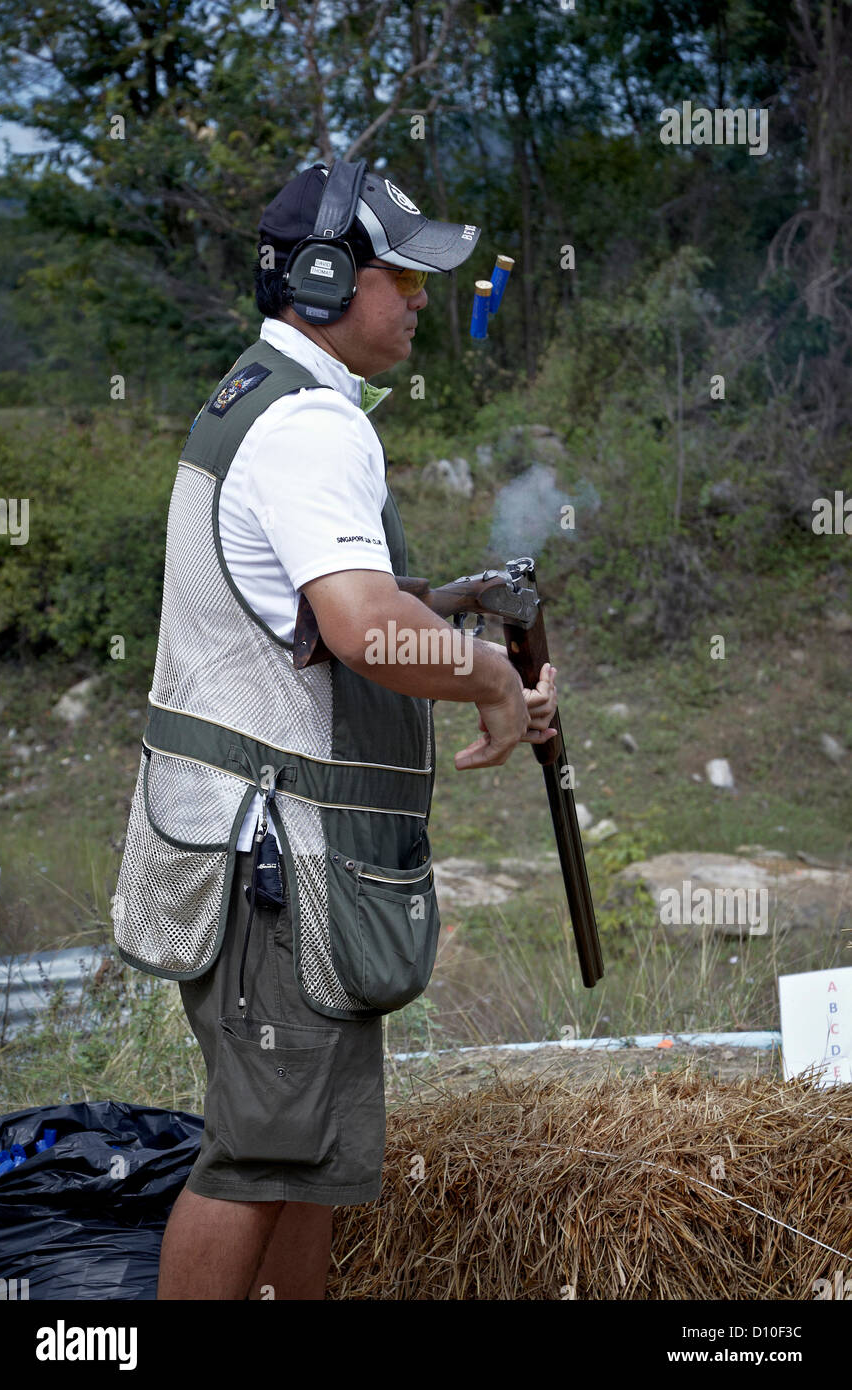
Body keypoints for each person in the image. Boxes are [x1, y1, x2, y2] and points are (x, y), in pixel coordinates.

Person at [147, 161, 558, 1299]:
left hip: (275, 858)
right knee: (255, 1156)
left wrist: (454, 606)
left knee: (302, 1154)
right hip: (270, 857)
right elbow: (367, 629)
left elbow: (325, 610)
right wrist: (485, 677)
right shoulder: (311, 424)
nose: (423, 300)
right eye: (404, 277)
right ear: (326, 279)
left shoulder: (267, 399)